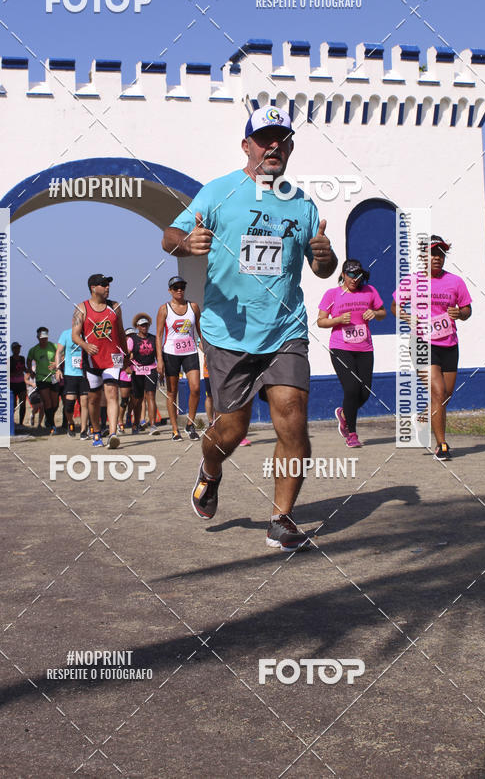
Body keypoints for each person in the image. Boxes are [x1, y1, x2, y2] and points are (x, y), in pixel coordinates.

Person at [162, 105, 337, 551]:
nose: (272, 147)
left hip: (285, 331)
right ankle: (210, 471)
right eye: (264, 139)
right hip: (228, 334)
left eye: (281, 140)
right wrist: (186, 241)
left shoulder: (302, 202)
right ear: (247, 146)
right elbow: (170, 235)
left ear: (291, 148)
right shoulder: (218, 192)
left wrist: (324, 255)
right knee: (230, 432)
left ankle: (282, 520)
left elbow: (322, 268)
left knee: (293, 420)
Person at [392, 235, 472, 460]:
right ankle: (442, 444)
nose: (437, 257)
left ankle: (424, 416)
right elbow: (395, 306)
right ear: (423, 256)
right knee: (437, 392)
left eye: (441, 253)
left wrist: (460, 314)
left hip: (449, 343)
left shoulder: (455, 282)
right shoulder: (412, 281)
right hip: (422, 343)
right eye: (432, 253)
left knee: (445, 396)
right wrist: (407, 316)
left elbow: (466, 309)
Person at [317, 259, 386, 447]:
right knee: (351, 389)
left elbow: (383, 312)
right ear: (343, 275)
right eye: (350, 275)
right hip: (340, 347)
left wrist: (374, 313)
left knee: (364, 392)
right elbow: (321, 321)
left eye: (357, 275)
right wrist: (338, 320)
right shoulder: (332, 294)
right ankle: (352, 434)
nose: (354, 279)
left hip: (364, 347)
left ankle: (345, 414)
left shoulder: (369, 291)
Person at [71, 274, 130, 449]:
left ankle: (112, 434)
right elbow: (75, 335)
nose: (107, 287)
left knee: (112, 393)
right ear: (93, 287)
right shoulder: (81, 308)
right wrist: (85, 345)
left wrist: (126, 356)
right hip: (92, 359)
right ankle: (96, 431)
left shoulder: (115, 307)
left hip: (112, 357)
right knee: (93, 399)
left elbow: (120, 333)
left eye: (108, 284)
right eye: (103, 284)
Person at [156, 277, 202, 441]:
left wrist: (204, 346)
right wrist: (159, 360)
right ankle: (175, 430)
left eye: (182, 286)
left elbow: (199, 330)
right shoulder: (164, 309)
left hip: (190, 352)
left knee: (195, 388)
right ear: (170, 290)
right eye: (175, 287)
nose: (179, 290)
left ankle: (190, 424)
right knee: (171, 392)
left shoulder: (193, 307)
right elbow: (159, 335)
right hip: (170, 353)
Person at [55, 328, 89, 438]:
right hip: (70, 373)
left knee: (84, 402)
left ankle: (84, 430)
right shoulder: (65, 333)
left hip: (84, 373)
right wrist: (58, 368)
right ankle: (70, 422)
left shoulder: (88, 333)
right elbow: (59, 352)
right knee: (69, 405)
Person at [130, 313, 160, 435]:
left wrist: (160, 367)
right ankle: (136, 423)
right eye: (142, 325)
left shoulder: (153, 338)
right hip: (137, 369)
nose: (144, 327)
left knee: (151, 395)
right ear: (137, 326)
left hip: (151, 368)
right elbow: (126, 354)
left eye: (146, 325)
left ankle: (153, 424)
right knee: (138, 399)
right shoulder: (132, 339)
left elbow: (158, 354)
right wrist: (127, 366)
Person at [26, 328, 59, 434]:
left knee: (55, 402)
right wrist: (30, 370)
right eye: (41, 339)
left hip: (53, 376)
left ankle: (49, 419)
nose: (44, 340)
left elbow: (62, 354)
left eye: (45, 338)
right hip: (42, 377)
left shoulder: (53, 346)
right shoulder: (34, 350)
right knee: (47, 401)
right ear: (38, 338)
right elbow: (29, 359)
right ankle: (52, 425)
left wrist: (56, 364)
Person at [9, 342, 27, 428]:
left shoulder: (22, 358)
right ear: (12, 349)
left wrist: (30, 372)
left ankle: (21, 423)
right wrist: (15, 374)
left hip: (21, 383)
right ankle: (11, 422)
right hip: (12, 384)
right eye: (16, 348)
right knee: (13, 404)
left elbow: (24, 368)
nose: (17, 350)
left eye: (18, 348)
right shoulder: (9, 360)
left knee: (23, 403)